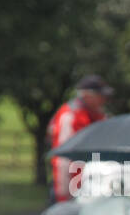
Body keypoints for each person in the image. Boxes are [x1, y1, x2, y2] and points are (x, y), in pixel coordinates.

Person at [47, 74, 111, 203]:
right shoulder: (70, 115)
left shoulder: (99, 115)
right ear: (88, 96)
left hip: (91, 180)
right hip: (71, 179)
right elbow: (63, 155)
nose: (104, 99)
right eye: (100, 95)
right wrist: (64, 189)